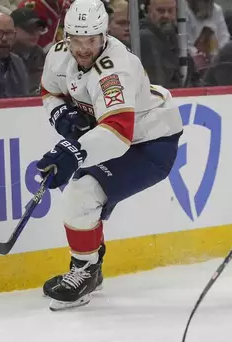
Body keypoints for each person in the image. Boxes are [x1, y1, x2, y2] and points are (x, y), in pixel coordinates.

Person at [36, 0, 183, 311]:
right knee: (84, 198)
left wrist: (73, 150)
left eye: (91, 40)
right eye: (77, 40)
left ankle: (85, 271)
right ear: (67, 36)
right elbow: (49, 91)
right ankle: (91, 266)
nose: (84, 48)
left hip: (150, 143)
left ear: (103, 35)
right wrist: (60, 113)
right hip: (115, 137)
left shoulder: (116, 68)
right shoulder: (60, 54)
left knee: (81, 192)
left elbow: (117, 133)